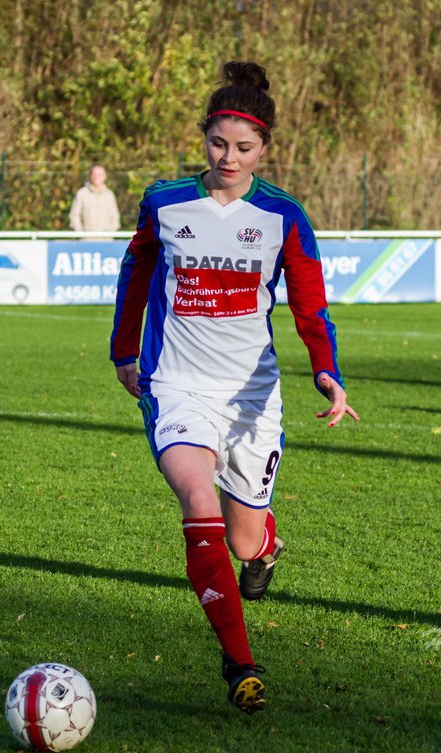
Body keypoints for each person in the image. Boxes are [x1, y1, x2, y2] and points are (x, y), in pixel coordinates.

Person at [110, 61, 357, 714]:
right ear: (204, 139)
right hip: (177, 384)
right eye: (218, 143)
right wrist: (122, 351)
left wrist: (326, 370)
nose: (228, 157)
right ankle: (240, 661)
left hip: (252, 397)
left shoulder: (282, 215)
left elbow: (310, 306)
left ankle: (266, 545)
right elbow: (135, 270)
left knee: (244, 540)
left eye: (244, 147)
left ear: (266, 149)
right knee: (198, 500)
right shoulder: (165, 202)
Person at [69, 164, 121, 233]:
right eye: (94, 174)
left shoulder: (109, 195)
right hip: (86, 241)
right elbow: (74, 215)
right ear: (90, 176)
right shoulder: (82, 193)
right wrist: (81, 232)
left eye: (100, 174)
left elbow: (115, 217)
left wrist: (109, 233)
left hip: (106, 241)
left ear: (104, 176)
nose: (96, 177)